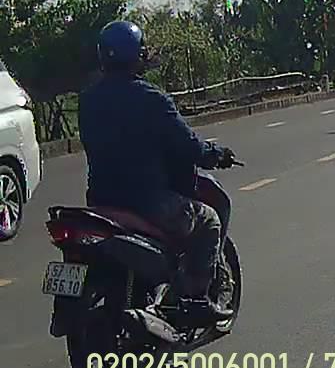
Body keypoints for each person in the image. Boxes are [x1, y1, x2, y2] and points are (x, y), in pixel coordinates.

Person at [78, 20, 235, 326]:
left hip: (101, 201)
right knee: (209, 221)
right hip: (147, 202)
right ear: (138, 55)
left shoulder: (88, 100)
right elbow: (189, 146)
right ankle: (195, 300)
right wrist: (215, 154)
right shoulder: (151, 99)